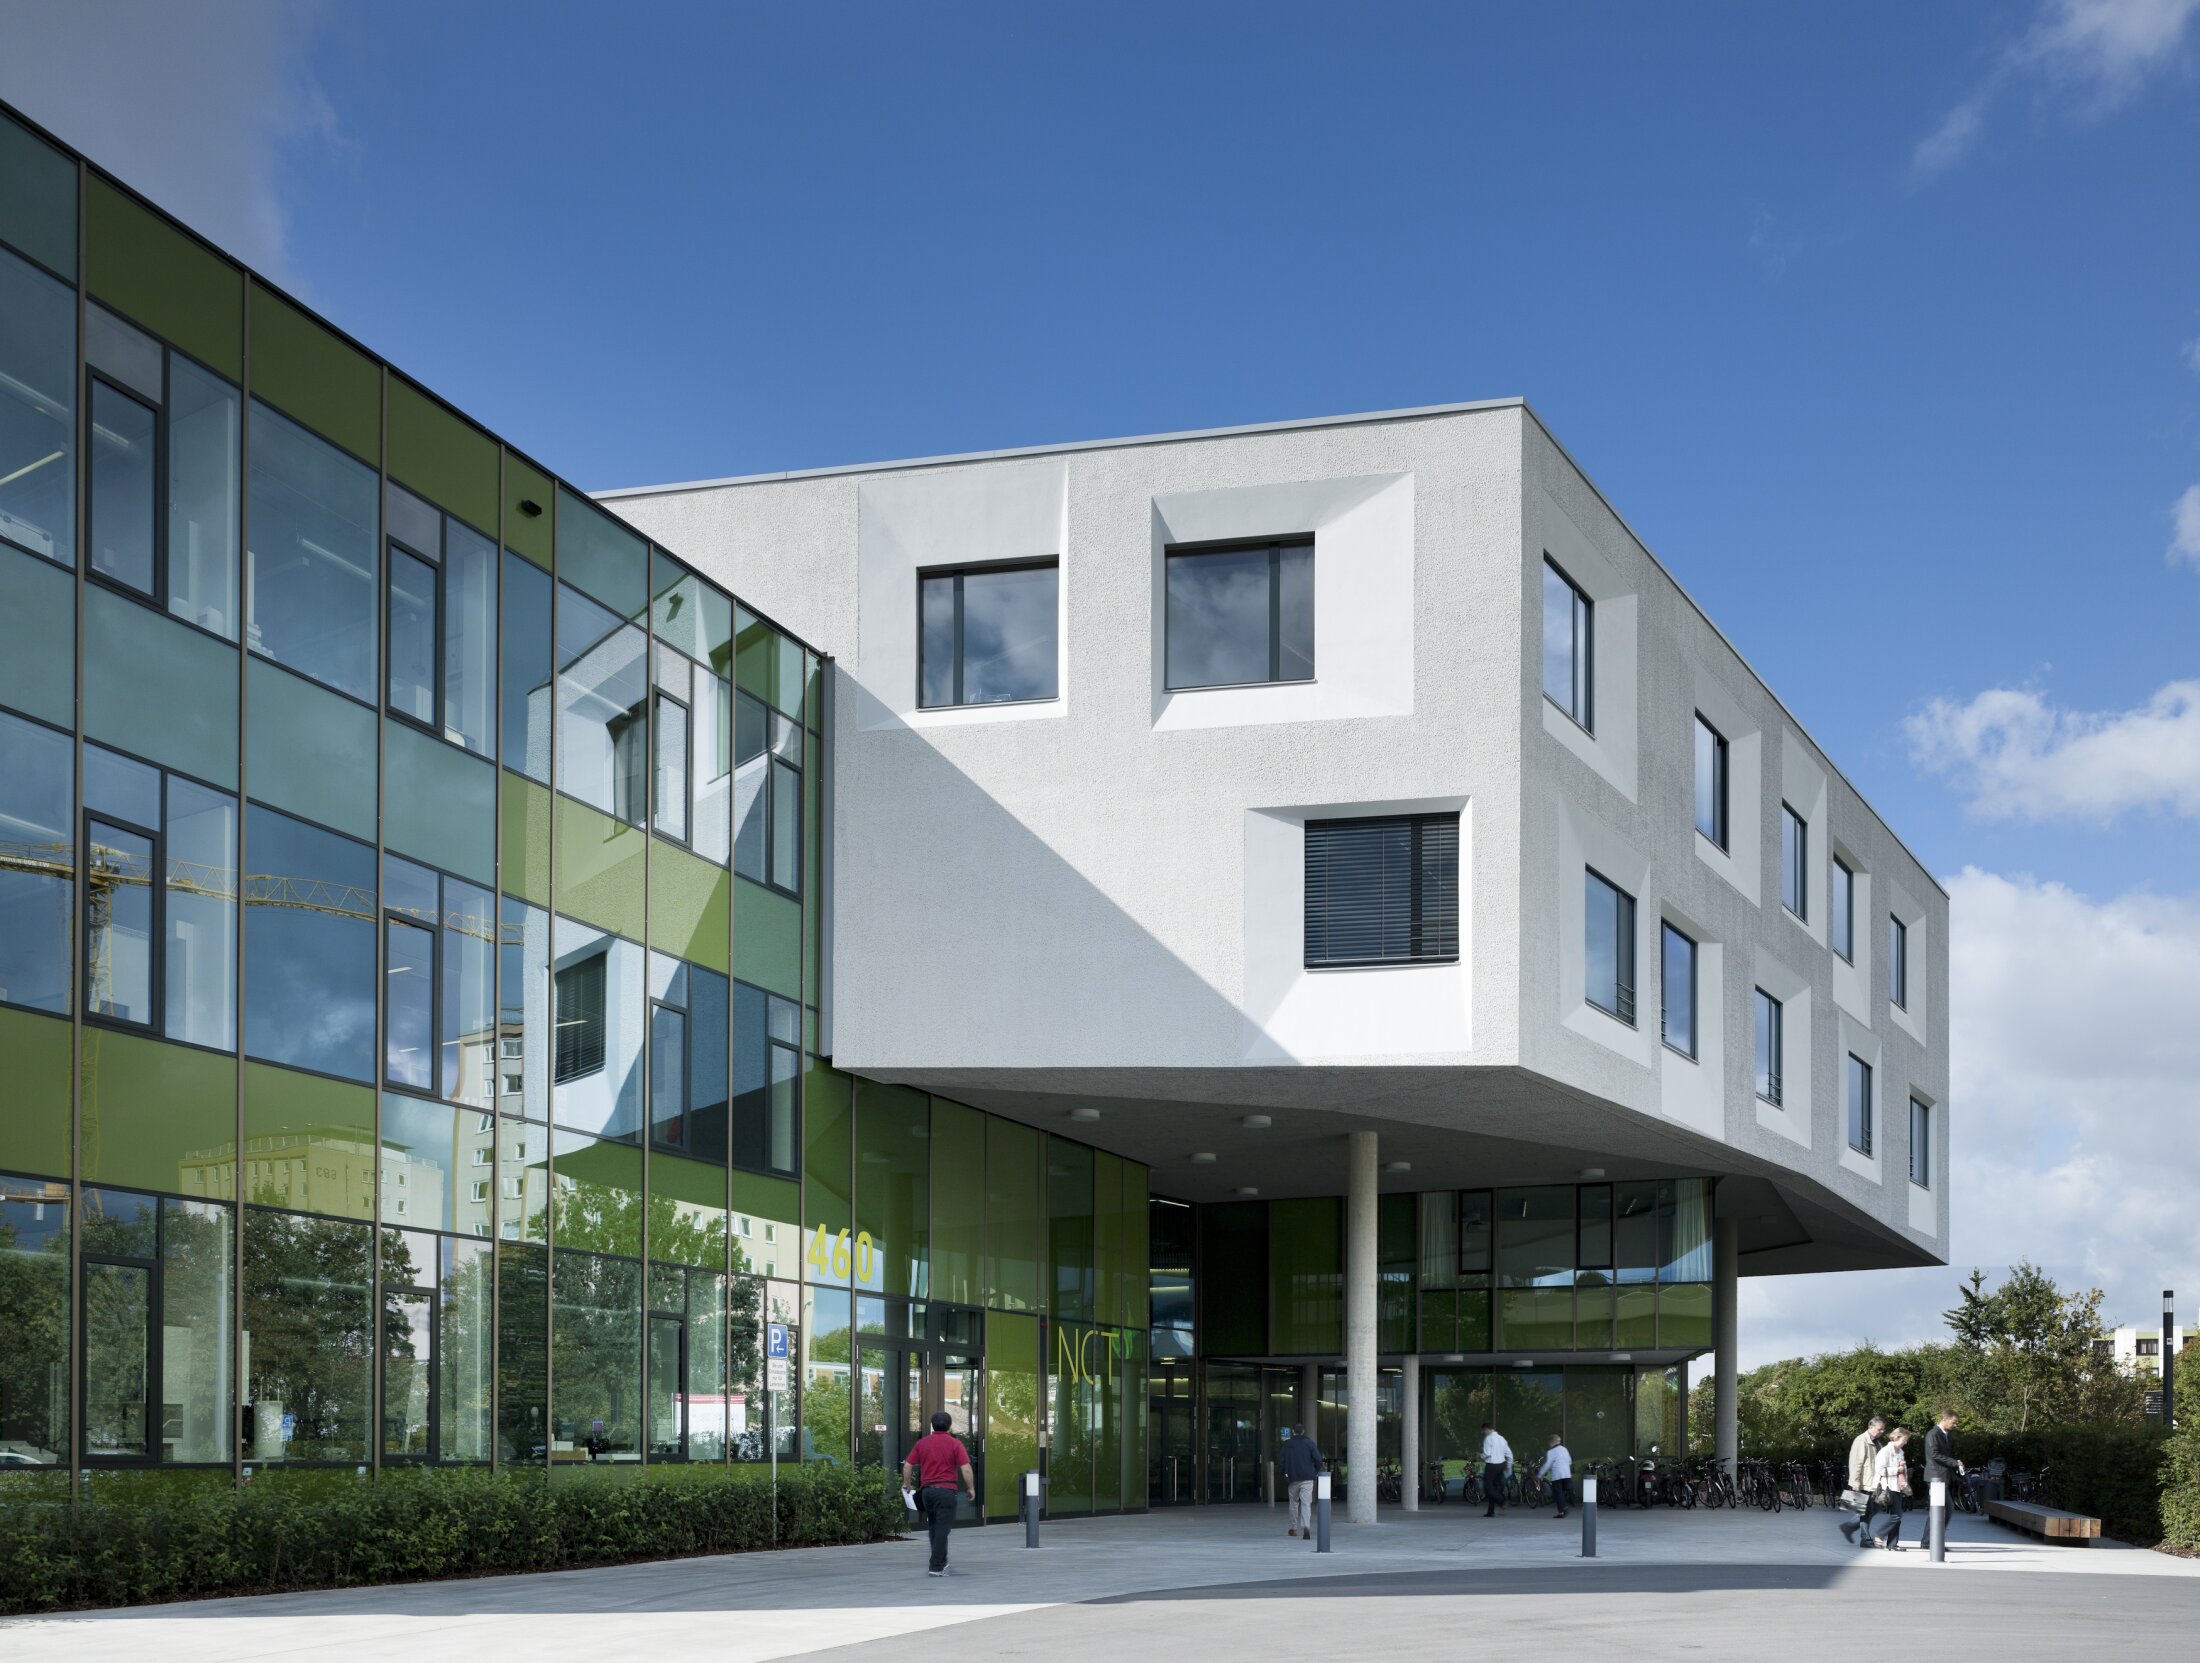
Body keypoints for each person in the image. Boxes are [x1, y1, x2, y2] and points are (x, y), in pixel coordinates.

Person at [901, 1410, 976, 1578]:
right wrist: (970, 1487)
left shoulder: (922, 1443)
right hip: (946, 1492)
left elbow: (907, 1465)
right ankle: (935, 1566)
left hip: (927, 1492)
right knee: (943, 1529)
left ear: (932, 1426)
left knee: (934, 1527)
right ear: (949, 1426)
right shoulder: (955, 1444)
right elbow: (966, 1468)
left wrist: (906, 1484)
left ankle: (942, 1563)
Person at [1916, 1409, 1962, 1545]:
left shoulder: (1944, 1434)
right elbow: (1934, 1454)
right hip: (1936, 1477)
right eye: (1953, 1422)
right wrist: (1955, 1462)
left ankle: (1929, 1541)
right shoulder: (1933, 1434)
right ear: (1945, 1419)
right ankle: (1932, 1541)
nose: (1955, 1425)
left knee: (1939, 1510)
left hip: (1940, 1476)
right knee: (1945, 1508)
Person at [1863, 1427, 1911, 1550]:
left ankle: (1892, 1544)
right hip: (1887, 1487)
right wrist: (1897, 1470)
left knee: (1897, 1516)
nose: (1905, 1443)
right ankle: (1879, 1534)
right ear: (1897, 1437)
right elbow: (1879, 1470)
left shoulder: (1900, 1452)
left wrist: (1904, 1479)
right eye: (1904, 1440)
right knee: (1897, 1516)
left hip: (1898, 1486)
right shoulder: (1885, 1451)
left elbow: (1902, 1469)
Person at [1839, 1415, 1884, 1545]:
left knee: (1874, 1509)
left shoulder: (1876, 1442)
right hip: (1864, 1481)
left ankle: (1848, 1527)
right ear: (1871, 1427)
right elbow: (1856, 1462)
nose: (1882, 1432)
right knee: (1866, 1510)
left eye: (1883, 1429)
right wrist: (1855, 1481)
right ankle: (1865, 1538)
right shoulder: (1861, 1440)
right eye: (1880, 1429)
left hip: (1873, 1481)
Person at [1279, 1422, 1325, 1541]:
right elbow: (1319, 1459)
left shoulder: (1287, 1444)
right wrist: (1313, 1471)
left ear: (1293, 1432)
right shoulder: (1309, 1443)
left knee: (1293, 1503)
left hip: (1292, 1477)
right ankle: (1306, 1527)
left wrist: (1285, 1473)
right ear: (1303, 1431)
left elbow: (1281, 1463)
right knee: (1306, 1503)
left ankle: (1293, 1528)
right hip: (1307, 1478)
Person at [1479, 1422, 1514, 1517]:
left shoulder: (1488, 1439)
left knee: (1487, 1488)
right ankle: (1491, 1511)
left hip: (1491, 1465)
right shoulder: (1502, 1438)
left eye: (1483, 1431)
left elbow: (1487, 1454)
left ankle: (1502, 1502)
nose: (1483, 1433)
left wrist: (1480, 1455)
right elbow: (1509, 1454)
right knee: (1495, 1488)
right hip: (1501, 1465)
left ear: (1486, 1429)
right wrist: (1509, 1466)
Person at [1539, 1432, 1574, 1519]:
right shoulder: (1565, 1449)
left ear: (1551, 1442)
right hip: (1566, 1474)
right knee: (1562, 1492)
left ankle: (1562, 1510)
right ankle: (1563, 1509)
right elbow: (1569, 1461)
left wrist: (1540, 1474)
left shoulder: (1551, 1452)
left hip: (1557, 1475)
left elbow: (1547, 1464)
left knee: (1558, 1494)